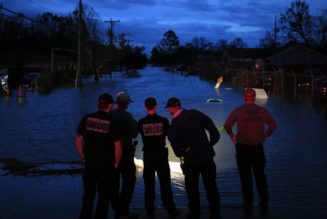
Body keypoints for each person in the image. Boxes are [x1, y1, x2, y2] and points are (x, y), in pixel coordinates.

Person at [166, 97, 221, 219]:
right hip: (207, 156)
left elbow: (176, 146)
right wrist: (212, 142)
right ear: (179, 105)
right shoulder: (195, 113)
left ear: (170, 109)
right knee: (211, 185)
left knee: (192, 188)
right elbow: (210, 124)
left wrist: (181, 151)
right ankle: (215, 211)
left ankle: (195, 213)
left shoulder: (174, 124)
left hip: (191, 161)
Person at [224, 88, 277, 210]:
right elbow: (273, 125)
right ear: (254, 97)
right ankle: (264, 202)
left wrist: (232, 136)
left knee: (245, 177)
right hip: (258, 148)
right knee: (260, 176)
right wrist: (266, 135)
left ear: (244, 97)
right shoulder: (262, 111)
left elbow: (227, 126)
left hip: (243, 148)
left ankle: (248, 203)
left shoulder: (238, 111)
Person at [75, 93, 122, 219]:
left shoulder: (86, 118)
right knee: (103, 198)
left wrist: (83, 157)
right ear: (110, 105)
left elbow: (79, 140)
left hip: (90, 164)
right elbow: (118, 145)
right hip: (106, 166)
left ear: (98, 104)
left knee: (88, 196)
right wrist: (116, 163)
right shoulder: (112, 121)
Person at [138, 97, 179, 217]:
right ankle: (170, 208)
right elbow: (170, 135)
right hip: (161, 154)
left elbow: (138, 133)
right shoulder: (164, 121)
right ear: (156, 107)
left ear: (145, 107)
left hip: (148, 155)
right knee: (165, 182)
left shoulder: (141, 122)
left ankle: (149, 209)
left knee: (149, 183)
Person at [111, 91, 138, 219]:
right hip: (125, 154)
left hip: (110, 155)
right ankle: (123, 210)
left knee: (114, 183)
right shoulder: (127, 116)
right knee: (129, 181)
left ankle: (116, 209)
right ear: (126, 104)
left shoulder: (108, 115)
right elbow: (134, 134)